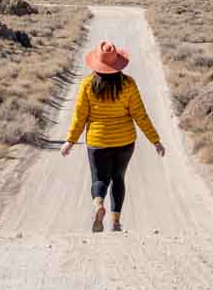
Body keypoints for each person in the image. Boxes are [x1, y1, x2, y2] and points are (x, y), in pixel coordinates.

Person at [60, 40, 165, 232]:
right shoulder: (128, 84)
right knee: (118, 178)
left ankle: (99, 204)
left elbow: (79, 117)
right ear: (117, 64)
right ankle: (116, 221)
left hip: (97, 142)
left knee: (99, 179)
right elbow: (140, 115)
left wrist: (70, 141)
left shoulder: (87, 85)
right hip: (124, 141)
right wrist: (155, 140)